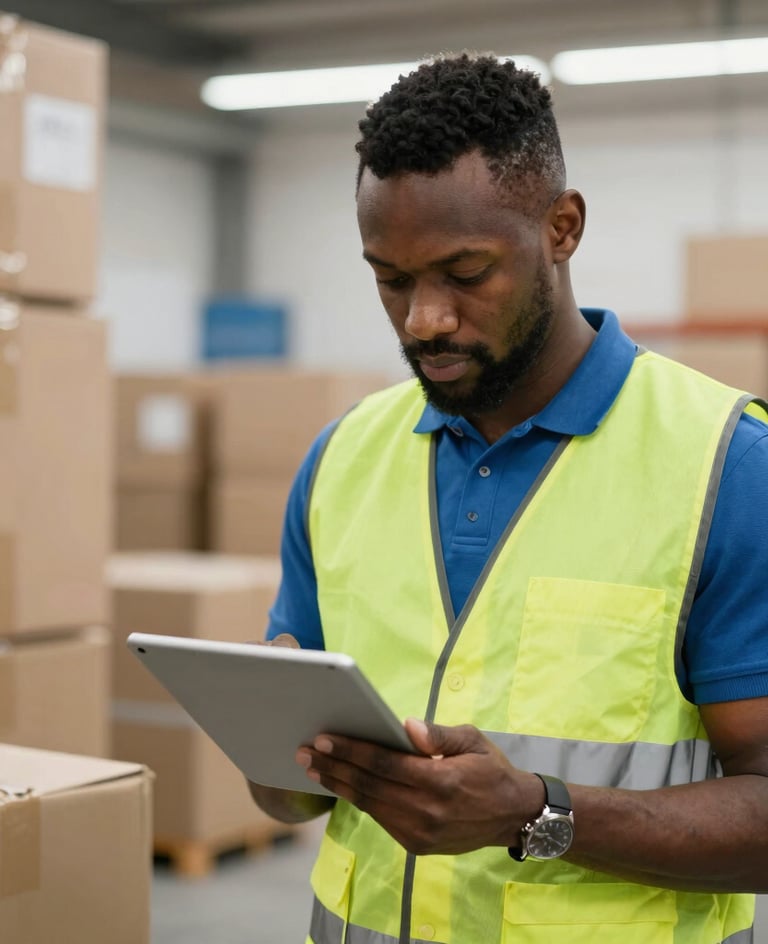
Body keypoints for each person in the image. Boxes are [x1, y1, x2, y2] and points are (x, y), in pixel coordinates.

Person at [249, 52, 768, 943]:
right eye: (391, 278)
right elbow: (283, 794)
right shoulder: (343, 459)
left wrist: (534, 813)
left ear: (561, 228)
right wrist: (282, 752)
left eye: (464, 271)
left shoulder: (727, 466)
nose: (424, 319)